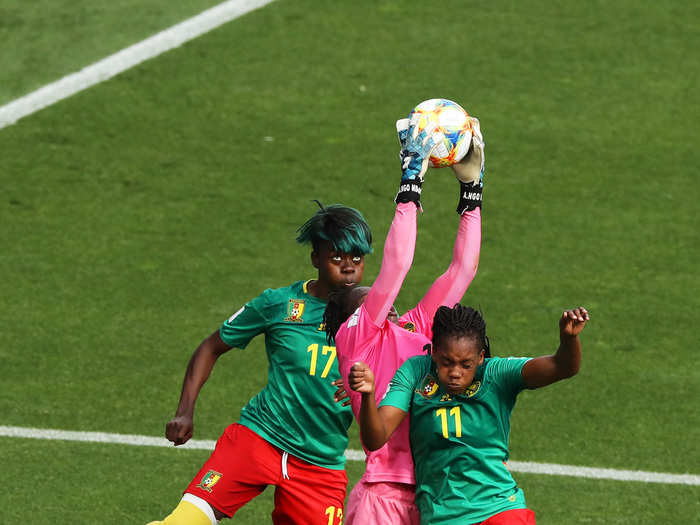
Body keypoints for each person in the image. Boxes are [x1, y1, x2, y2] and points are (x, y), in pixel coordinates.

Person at [148, 203, 373, 525]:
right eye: (337, 257)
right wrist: (185, 410)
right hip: (258, 439)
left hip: (320, 463)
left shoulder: (374, 319)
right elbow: (211, 347)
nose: (349, 267)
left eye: (357, 258)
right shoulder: (278, 304)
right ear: (315, 259)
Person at [323, 114, 485, 525]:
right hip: (382, 497)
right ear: (349, 319)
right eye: (368, 300)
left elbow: (461, 271)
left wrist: (472, 192)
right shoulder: (356, 339)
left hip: (437, 496)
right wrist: (410, 182)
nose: (383, 302)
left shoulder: (414, 327)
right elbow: (395, 268)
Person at [349, 304, 590, 525]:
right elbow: (376, 437)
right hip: (443, 516)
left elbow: (562, 367)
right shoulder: (416, 370)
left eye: (466, 365)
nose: (455, 373)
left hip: (499, 509)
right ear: (433, 352)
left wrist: (569, 339)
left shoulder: (497, 374)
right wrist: (369, 395)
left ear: (481, 357)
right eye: (447, 362)